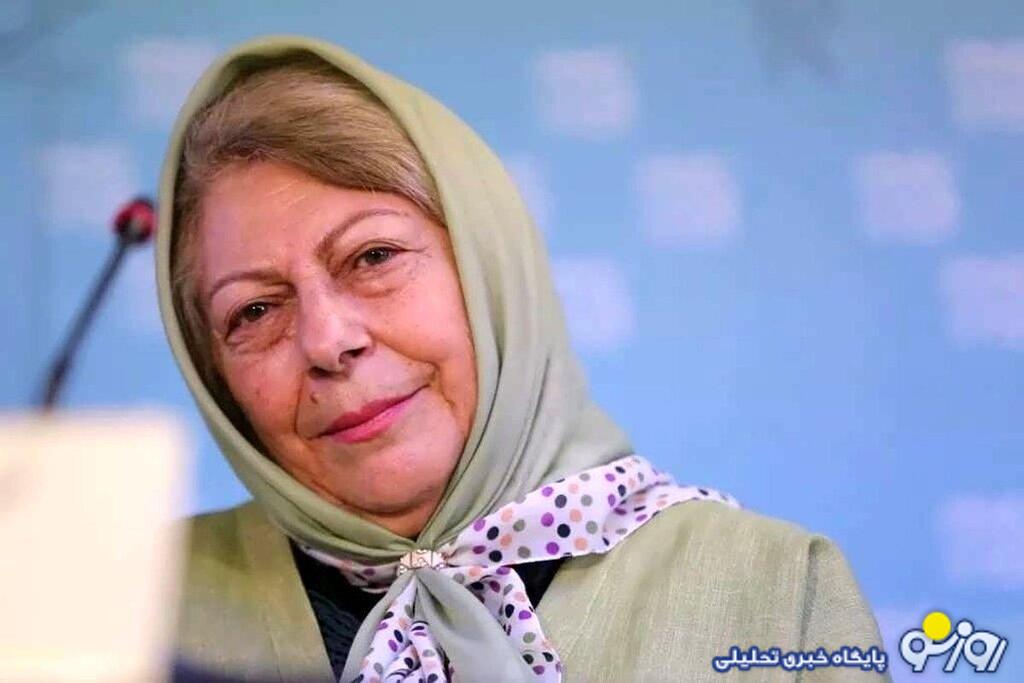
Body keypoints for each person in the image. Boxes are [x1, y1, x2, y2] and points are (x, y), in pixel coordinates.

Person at [158, 35, 889, 682]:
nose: (327, 342)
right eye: (255, 311)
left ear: (492, 275)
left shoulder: (776, 590)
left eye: (373, 256)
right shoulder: (134, 601)